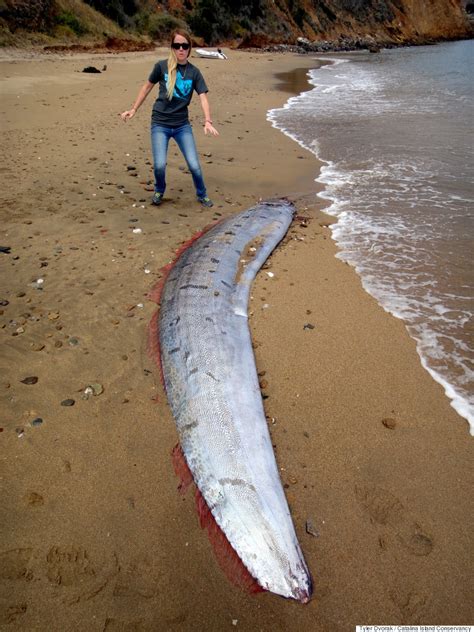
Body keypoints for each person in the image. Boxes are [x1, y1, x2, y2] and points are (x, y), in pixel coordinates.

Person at [120, 29, 219, 207]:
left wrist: (208, 120)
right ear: (172, 48)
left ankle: (202, 194)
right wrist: (133, 109)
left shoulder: (194, 73)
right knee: (159, 165)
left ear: (189, 48)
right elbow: (147, 87)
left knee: (194, 165)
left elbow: (203, 96)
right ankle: (159, 190)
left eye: (184, 46)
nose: (181, 49)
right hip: (160, 123)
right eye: (177, 45)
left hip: (182, 126)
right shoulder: (161, 66)